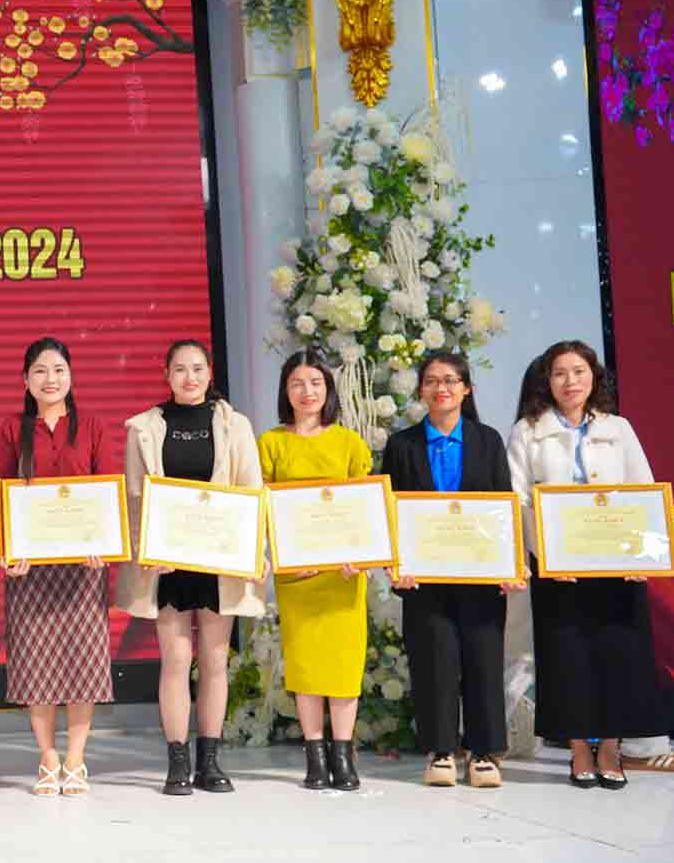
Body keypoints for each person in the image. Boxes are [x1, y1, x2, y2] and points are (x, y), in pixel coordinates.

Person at [507, 340, 660, 788]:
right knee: (566, 656)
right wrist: (546, 556)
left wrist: (642, 555)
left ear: (594, 377)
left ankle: (610, 747)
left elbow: (644, 492)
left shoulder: (619, 428)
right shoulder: (528, 431)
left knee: (617, 653)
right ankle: (578, 751)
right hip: (559, 570)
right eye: (560, 373)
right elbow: (518, 501)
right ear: (546, 381)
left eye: (579, 371)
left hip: (617, 566)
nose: (570, 381)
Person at [117, 339, 265, 796]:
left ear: (209, 373)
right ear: (166, 375)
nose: (189, 377)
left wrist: (253, 553)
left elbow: (251, 493)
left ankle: (211, 761)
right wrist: (146, 548)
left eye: (197, 368)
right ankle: (177, 761)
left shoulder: (234, 425)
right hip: (168, 563)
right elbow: (135, 497)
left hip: (220, 560)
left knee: (216, 660)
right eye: (179, 369)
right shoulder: (145, 427)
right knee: (177, 659)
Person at [382, 349, 521, 789]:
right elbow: (390, 512)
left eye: (450, 380)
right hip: (423, 579)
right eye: (432, 381)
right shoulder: (402, 445)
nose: (441, 388)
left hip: (480, 576)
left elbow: (505, 505)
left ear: (466, 389)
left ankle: (483, 752)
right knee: (433, 661)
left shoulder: (488, 440)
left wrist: (508, 563)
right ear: (421, 390)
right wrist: (396, 565)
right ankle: (440, 749)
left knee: (483, 658)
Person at [0, 337, 117, 798]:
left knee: (82, 661)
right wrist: (12, 548)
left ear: (71, 376)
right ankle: (47, 756)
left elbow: (105, 488)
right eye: (41, 371)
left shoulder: (92, 427)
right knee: (36, 662)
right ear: (26, 379)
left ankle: (76, 757)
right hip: (30, 568)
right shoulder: (11, 429)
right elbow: (5, 493)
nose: (51, 379)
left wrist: (102, 544)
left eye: (59, 370)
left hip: (82, 567)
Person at [256, 349, 373, 791]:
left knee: (343, 667)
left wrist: (361, 554)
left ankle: (343, 757)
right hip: (297, 577)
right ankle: (315, 756)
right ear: (285, 391)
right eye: (297, 384)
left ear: (328, 389)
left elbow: (366, 509)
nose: (307, 393)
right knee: (306, 667)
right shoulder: (270, 443)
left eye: (316, 384)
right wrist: (275, 555)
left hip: (343, 575)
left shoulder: (348, 443)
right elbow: (261, 509)